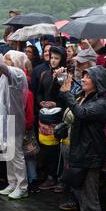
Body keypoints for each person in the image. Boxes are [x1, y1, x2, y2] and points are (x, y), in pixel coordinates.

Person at [60, 66, 106, 211]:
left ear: (97, 83)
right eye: (84, 76)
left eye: (88, 77)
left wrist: (67, 95)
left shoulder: (101, 103)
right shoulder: (85, 96)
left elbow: (80, 114)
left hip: (91, 154)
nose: (83, 79)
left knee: (90, 197)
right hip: (81, 151)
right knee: (80, 193)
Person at [0, 40, 29, 200]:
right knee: (7, 152)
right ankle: (12, 183)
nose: (5, 62)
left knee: (16, 154)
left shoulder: (17, 73)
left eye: (9, 59)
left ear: (17, 63)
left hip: (14, 121)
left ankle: (23, 186)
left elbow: (0, 65)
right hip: (5, 120)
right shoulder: (5, 78)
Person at [36, 46, 67, 191]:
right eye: (52, 58)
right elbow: (40, 92)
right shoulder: (44, 74)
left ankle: (56, 177)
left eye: (57, 58)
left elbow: (65, 97)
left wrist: (55, 103)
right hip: (45, 115)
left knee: (56, 149)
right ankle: (48, 175)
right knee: (45, 147)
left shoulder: (65, 76)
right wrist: (41, 101)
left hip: (58, 117)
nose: (53, 61)